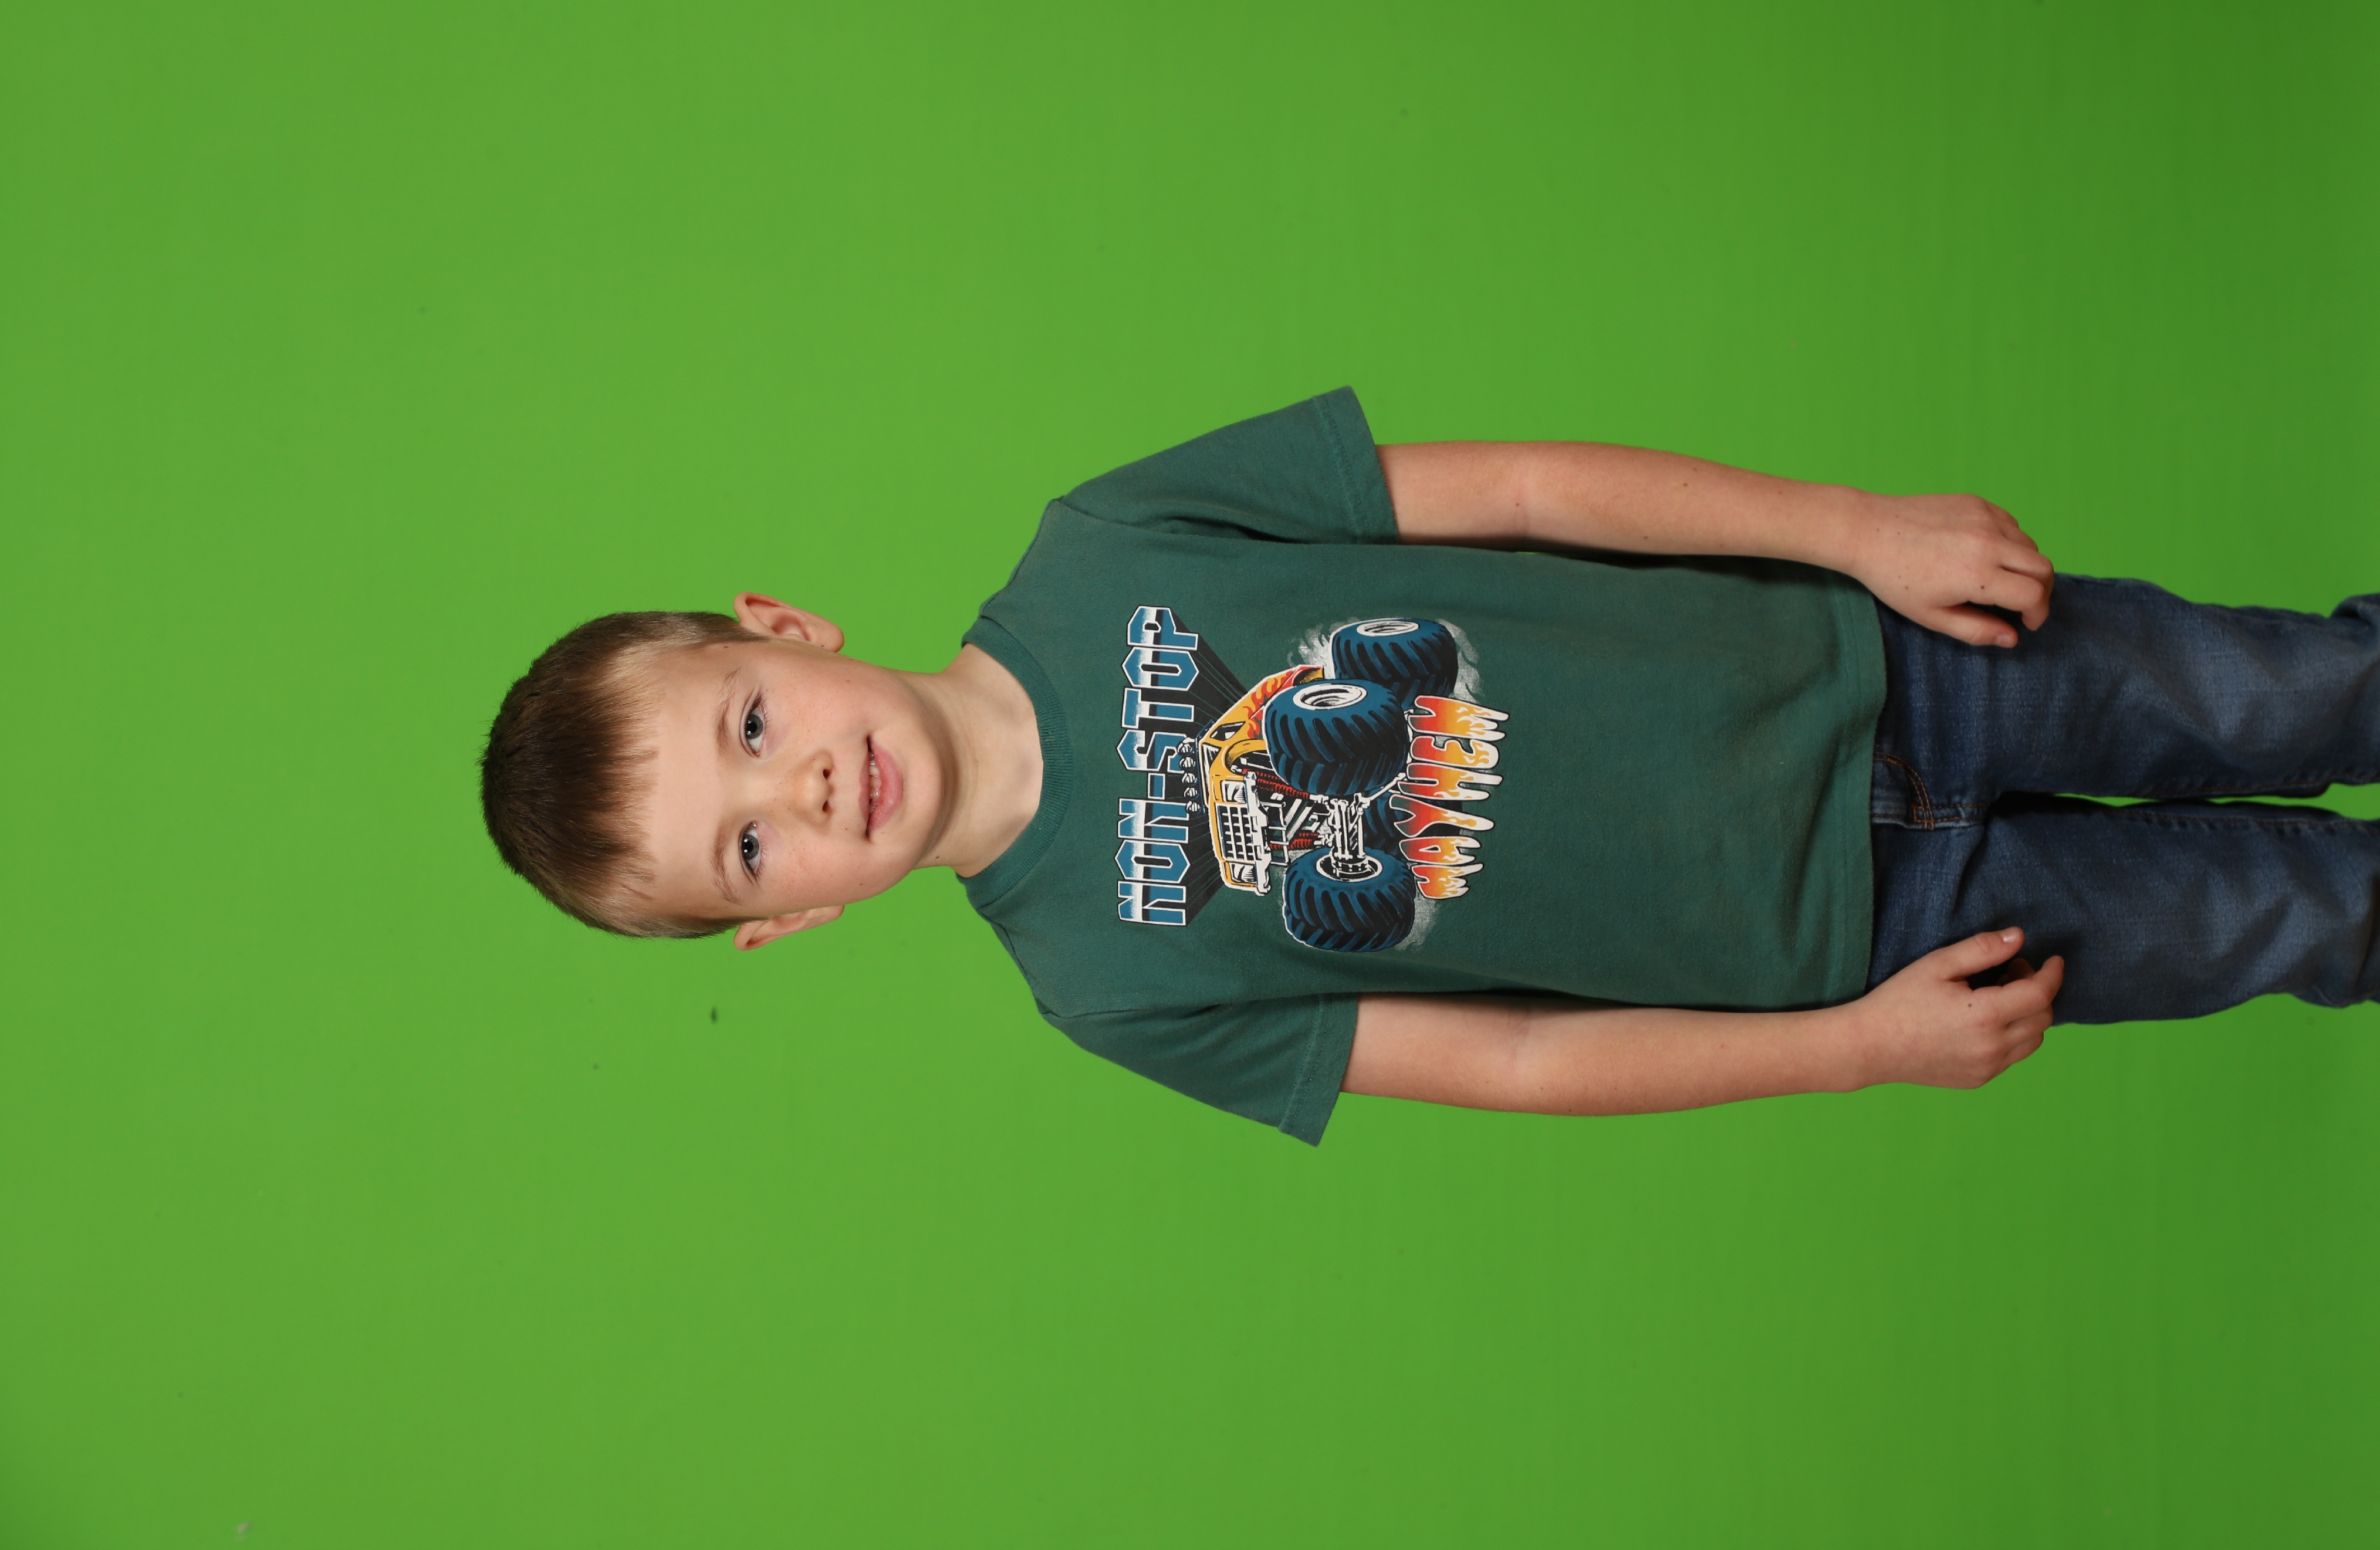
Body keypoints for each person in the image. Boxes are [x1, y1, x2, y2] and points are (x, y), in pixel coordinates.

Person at [479, 390, 2380, 1144]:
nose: (803, 793)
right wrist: (1854, 1047)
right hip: (1870, 936)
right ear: (782, 927)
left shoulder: (1100, 544)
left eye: (749, 729)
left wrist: (1853, 529)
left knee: (2301, 689)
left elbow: (1530, 489)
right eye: (746, 850)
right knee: (2300, 917)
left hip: (1885, 661)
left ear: (783, 628)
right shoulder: (1102, 986)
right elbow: (1517, 1062)